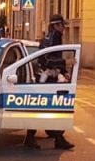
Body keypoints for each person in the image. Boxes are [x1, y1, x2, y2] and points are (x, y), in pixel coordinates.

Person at [24, 14, 75, 151]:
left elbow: (55, 56)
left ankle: (57, 138)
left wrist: (63, 71)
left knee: (52, 108)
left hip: (53, 76)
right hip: (47, 78)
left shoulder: (56, 38)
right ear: (55, 26)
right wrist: (65, 63)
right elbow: (44, 59)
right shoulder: (51, 39)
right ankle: (32, 137)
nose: (64, 27)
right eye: (61, 25)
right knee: (45, 108)